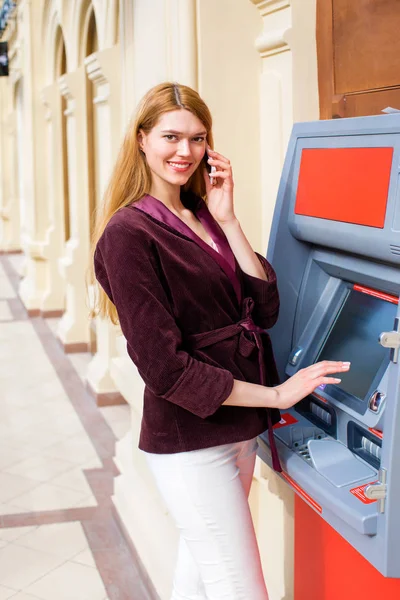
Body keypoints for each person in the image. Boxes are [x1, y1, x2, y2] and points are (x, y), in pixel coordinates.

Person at [91, 82, 350, 600]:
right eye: (170, 137)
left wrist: (229, 220)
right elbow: (165, 369)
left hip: (237, 426)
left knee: (200, 574)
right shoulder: (128, 234)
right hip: (191, 440)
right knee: (240, 589)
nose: (184, 152)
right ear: (142, 139)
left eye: (197, 139)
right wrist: (277, 395)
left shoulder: (204, 215)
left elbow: (266, 309)